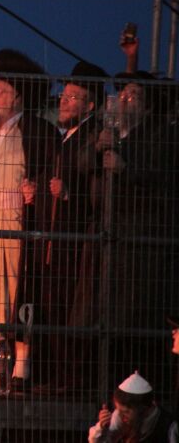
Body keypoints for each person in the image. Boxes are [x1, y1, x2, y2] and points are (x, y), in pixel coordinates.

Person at [0, 49, 60, 390]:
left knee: (20, 294)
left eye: (0, 92)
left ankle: (21, 367)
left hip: (17, 223)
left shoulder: (37, 131)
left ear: (18, 95)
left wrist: (35, 190)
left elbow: (51, 172)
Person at [97, 71, 179, 391]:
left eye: (135, 95)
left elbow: (160, 178)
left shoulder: (161, 136)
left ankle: (146, 388)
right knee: (118, 322)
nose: (125, 99)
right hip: (119, 240)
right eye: (124, 95)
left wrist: (126, 170)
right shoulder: (117, 135)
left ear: (148, 107)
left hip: (146, 242)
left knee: (141, 321)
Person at [46, 61, 106, 390]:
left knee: (72, 307)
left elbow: (96, 187)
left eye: (73, 97)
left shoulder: (91, 138)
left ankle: (72, 380)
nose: (64, 102)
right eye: (64, 96)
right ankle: (60, 376)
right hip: (57, 235)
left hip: (77, 237)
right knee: (55, 305)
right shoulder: (65, 136)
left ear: (90, 105)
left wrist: (69, 194)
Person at [88, 372, 178, 442]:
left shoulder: (169, 426)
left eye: (126, 412)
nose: (121, 416)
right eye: (119, 410)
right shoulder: (120, 416)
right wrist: (101, 427)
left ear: (145, 410)